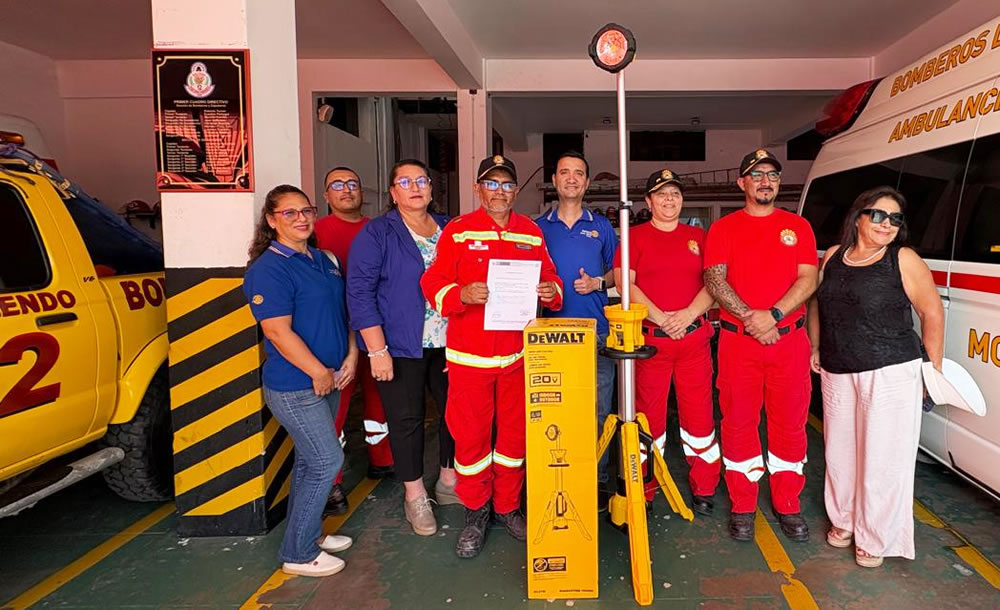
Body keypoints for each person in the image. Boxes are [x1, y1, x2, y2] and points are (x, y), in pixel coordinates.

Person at [420, 154, 563, 558]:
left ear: (516, 191)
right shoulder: (459, 231)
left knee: (515, 437)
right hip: (471, 359)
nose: (500, 191)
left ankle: (507, 507)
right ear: (478, 189)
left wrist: (550, 291)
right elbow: (433, 281)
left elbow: (550, 277)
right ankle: (476, 511)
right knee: (471, 440)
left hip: (519, 357)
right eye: (492, 184)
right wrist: (461, 294)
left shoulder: (531, 232)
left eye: (507, 184)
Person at [807, 186, 943, 568]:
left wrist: (930, 372)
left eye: (895, 219)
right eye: (879, 215)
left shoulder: (903, 259)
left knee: (883, 458)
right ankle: (845, 520)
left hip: (890, 371)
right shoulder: (834, 256)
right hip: (838, 369)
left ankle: (876, 536)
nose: (887, 224)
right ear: (858, 217)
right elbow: (818, 303)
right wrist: (816, 345)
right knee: (840, 454)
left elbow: (932, 313)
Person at [703, 149, 818, 542]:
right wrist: (754, 320)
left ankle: (788, 503)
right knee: (738, 423)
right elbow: (715, 280)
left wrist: (774, 314)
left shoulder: (798, 227)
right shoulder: (724, 229)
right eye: (756, 175)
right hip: (740, 345)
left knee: (790, 425)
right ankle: (742, 504)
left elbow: (808, 279)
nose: (765, 181)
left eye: (772, 175)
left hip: (789, 342)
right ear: (742, 183)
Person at [243, 185, 358, 577]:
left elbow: (342, 313)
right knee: (327, 460)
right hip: (297, 386)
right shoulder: (269, 269)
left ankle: (309, 534)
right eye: (289, 213)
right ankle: (298, 553)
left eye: (306, 210)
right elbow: (277, 332)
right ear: (271, 221)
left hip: (331, 378)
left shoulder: (323, 260)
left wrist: (351, 354)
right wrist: (318, 371)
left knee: (310, 462)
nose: (301, 218)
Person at [347, 159, 456, 537]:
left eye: (421, 180)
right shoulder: (378, 232)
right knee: (406, 420)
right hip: (399, 345)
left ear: (431, 188)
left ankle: (448, 479)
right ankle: (415, 495)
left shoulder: (450, 228)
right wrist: (377, 351)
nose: (415, 187)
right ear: (393, 193)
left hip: (451, 343)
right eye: (405, 182)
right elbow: (359, 293)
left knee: (455, 413)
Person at [614, 168, 720, 515]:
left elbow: (715, 283)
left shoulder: (699, 236)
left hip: (693, 342)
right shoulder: (634, 237)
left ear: (682, 199)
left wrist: (687, 315)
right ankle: (645, 487)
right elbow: (625, 284)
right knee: (650, 422)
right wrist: (662, 318)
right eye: (661, 194)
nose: (669, 200)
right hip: (651, 345)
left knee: (699, 419)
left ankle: (704, 486)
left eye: (675, 193)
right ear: (648, 201)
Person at [535, 151, 618, 507]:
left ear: (586, 183)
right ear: (554, 180)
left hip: (596, 333)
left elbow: (618, 273)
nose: (571, 178)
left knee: (597, 411)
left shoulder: (602, 227)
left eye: (578, 173)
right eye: (564, 172)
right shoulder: (536, 227)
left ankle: (595, 480)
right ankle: (555, 477)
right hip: (549, 335)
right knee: (554, 411)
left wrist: (598, 282)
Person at [313, 167, 394, 516]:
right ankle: (331, 483)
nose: (346, 190)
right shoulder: (315, 232)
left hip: (376, 331)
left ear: (363, 192)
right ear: (326, 195)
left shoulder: (379, 230)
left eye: (352, 184)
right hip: (334, 335)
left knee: (380, 400)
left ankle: (383, 460)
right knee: (335, 409)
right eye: (337, 185)